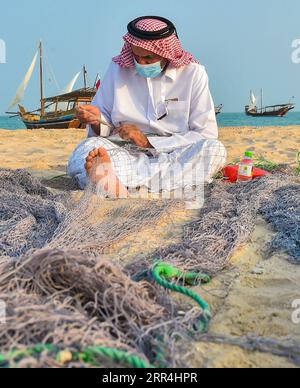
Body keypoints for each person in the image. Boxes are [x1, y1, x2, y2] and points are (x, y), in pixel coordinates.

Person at [68, 16, 227, 198]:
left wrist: (147, 142)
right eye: (136, 57)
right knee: (87, 149)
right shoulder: (117, 69)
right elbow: (103, 121)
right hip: (125, 152)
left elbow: (205, 134)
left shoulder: (193, 74)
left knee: (214, 150)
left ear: (166, 53)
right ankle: (119, 180)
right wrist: (95, 120)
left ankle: (117, 183)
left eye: (148, 57)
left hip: (174, 152)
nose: (141, 63)